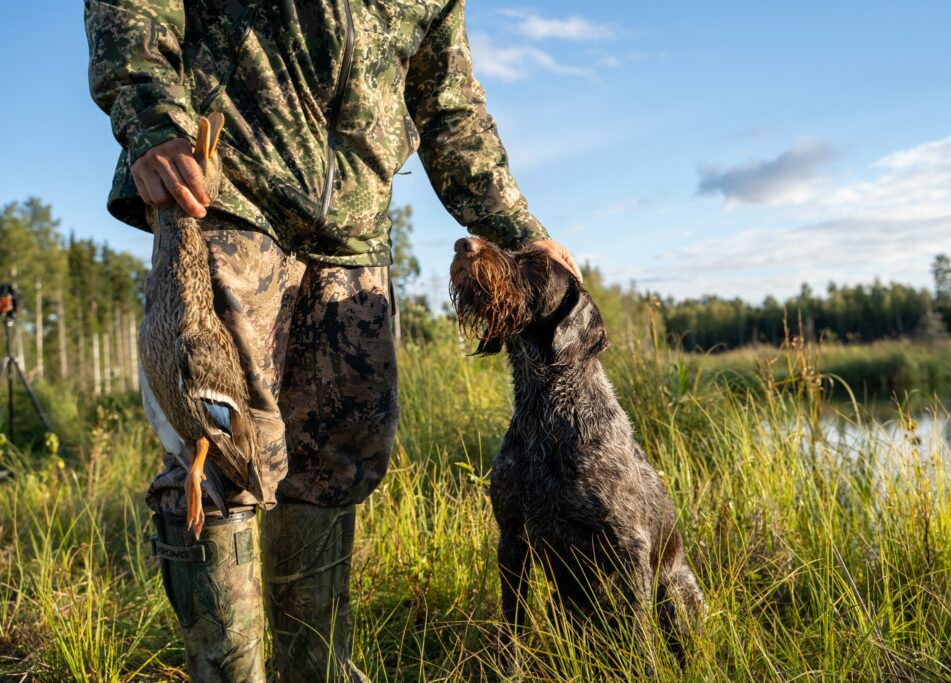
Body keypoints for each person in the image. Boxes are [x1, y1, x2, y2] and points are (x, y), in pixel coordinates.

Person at [85, 1, 580, 681]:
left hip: (354, 237)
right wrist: (152, 119)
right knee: (219, 454)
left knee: (333, 467)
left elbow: (449, 109)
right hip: (227, 196)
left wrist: (520, 230)